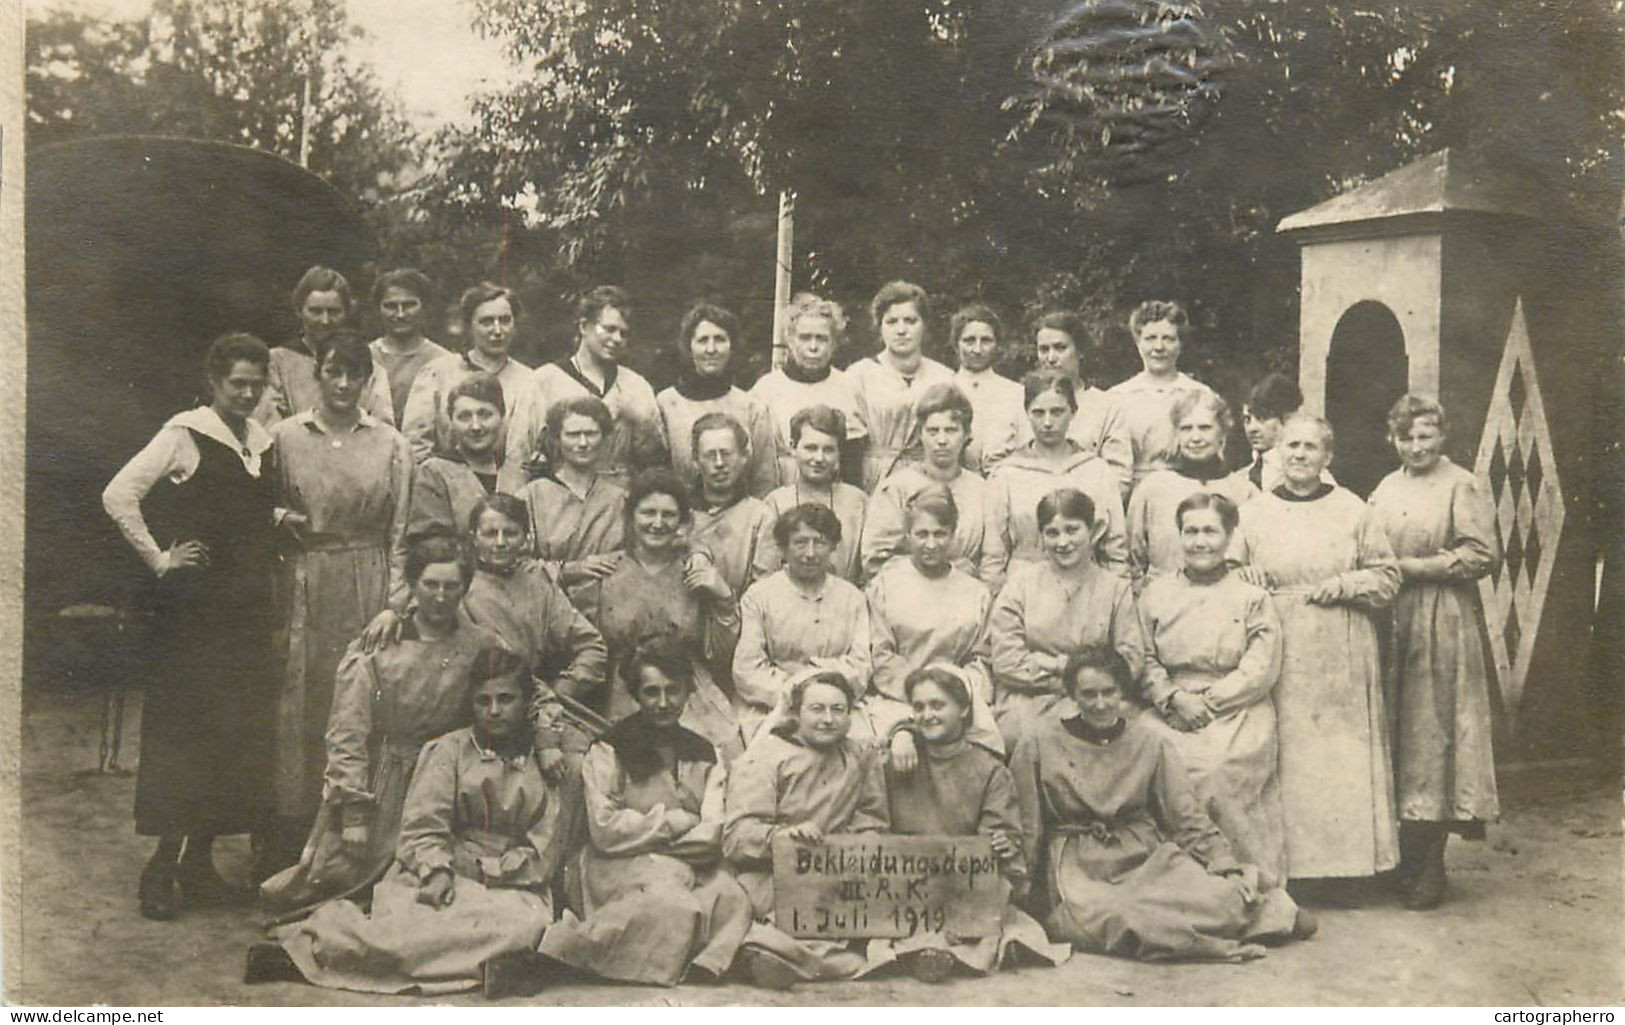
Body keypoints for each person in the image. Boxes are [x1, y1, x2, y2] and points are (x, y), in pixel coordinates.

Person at [246, 653, 566, 998]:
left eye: (506, 699)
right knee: (409, 929)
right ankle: (309, 952)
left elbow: (545, 848)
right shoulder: (448, 751)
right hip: (442, 867)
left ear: (526, 701)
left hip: (514, 881)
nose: (494, 711)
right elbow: (422, 827)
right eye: (482, 700)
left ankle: (494, 961)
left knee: (525, 926)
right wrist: (438, 869)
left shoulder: (547, 763)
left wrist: (490, 870)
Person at [102, 332, 280, 919]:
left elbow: (247, 512)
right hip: (197, 616)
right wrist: (160, 559)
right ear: (214, 380)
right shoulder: (185, 432)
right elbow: (119, 494)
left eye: (257, 383)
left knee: (233, 739)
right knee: (188, 736)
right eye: (238, 382)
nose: (248, 392)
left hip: (247, 615)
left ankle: (199, 866)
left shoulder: (261, 439)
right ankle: (161, 867)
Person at [259, 530, 510, 918]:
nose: (441, 596)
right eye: (430, 585)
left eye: (451, 586)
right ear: (411, 585)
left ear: (465, 588)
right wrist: (354, 815)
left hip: (453, 781)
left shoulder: (482, 643)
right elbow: (347, 733)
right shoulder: (379, 645)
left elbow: (523, 687)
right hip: (389, 785)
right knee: (355, 888)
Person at [1009, 648, 1309, 962]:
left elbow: (1187, 816)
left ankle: (1250, 916)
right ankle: (1209, 943)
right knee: (1117, 916)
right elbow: (1026, 824)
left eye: (1109, 692)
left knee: (1224, 899)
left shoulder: (1149, 742)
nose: (1100, 704)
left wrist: (1224, 865)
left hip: (1145, 858)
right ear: (1071, 695)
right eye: (1088, 694)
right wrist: (1020, 889)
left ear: (1122, 692)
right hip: (1081, 869)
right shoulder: (1039, 742)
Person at [1231, 413, 1401, 889]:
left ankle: (1347, 872)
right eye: (1291, 446)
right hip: (1282, 645)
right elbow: (1228, 565)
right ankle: (1297, 871)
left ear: (1328, 456)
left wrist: (1346, 583)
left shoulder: (1353, 510)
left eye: (1310, 447)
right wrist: (1245, 574)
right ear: (1276, 453)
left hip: (1340, 645)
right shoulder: (1254, 511)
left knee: (1339, 757)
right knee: (1290, 756)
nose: (1300, 455)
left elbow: (1387, 577)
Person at [266, 331, 413, 871]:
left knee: (360, 699)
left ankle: (357, 834)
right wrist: (280, 518)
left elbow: (401, 532)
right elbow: (261, 506)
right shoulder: (284, 437)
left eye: (356, 373)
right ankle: (290, 830)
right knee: (301, 699)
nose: (345, 383)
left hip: (367, 579)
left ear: (369, 379)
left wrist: (395, 604)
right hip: (306, 577)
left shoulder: (392, 444)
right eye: (334, 371)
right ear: (318, 374)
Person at [1137, 493, 1304, 936]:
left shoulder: (1251, 597)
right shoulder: (1156, 594)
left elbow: (1261, 665)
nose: (1199, 541)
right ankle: (1175, 894)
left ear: (1229, 536)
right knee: (1151, 759)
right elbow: (1142, 658)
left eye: (1210, 531)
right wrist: (1171, 698)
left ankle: (1253, 894)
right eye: (1190, 531)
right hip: (1171, 705)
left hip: (1235, 707)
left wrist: (1209, 702)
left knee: (1216, 769)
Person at [537, 648, 753, 986]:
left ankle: (700, 964)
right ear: (636, 694)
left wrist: (651, 834)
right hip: (614, 865)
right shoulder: (611, 747)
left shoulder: (704, 751)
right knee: (671, 903)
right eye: (652, 691)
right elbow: (606, 829)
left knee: (732, 898)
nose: (663, 702)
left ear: (687, 692)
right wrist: (673, 822)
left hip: (685, 862)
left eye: (673, 690)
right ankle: (570, 953)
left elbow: (712, 832)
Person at [1367, 395, 1501, 910]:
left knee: (1433, 733)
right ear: (1393, 439)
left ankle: (1431, 864)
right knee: (1398, 731)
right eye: (1407, 437)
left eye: (1426, 435)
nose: (1417, 446)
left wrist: (1414, 568)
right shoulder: (1385, 487)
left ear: (1441, 435)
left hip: (1441, 619)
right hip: (1392, 619)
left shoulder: (1460, 483)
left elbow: (1482, 554)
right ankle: (1401, 856)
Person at [867, 667, 1071, 980]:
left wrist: (1000, 844)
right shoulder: (895, 760)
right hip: (903, 883)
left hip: (960, 883)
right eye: (919, 707)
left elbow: (1000, 830)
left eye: (937, 705)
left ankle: (935, 951)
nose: (927, 715)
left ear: (963, 709)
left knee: (996, 920)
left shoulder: (989, 770)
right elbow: (871, 820)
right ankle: (931, 949)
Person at [722, 671, 890, 988]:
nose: (828, 719)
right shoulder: (765, 756)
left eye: (838, 710)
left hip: (839, 870)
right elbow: (735, 837)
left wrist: (860, 844)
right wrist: (781, 836)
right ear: (796, 713)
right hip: (772, 874)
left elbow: (873, 817)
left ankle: (786, 957)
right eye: (817, 709)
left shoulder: (859, 757)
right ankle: (794, 956)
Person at [585, 471, 745, 760]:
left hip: (690, 693)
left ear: (683, 522)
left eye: (669, 515)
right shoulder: (606, 570)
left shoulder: (694, 570)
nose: (658, 523)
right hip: (626, 692)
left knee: (725, 759)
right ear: (631, 516)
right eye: (648, 512)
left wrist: (722, 596)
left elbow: (721, 651)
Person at [988, 488, 1162, 751]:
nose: (1062, 542)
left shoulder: (1115, 589)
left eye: (1072, 530)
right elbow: (1005, 659)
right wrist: (1064, 679)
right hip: (1030, 698)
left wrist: (1060, 667)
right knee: (1027, 736)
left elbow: (1131, 658)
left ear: (1092, 532)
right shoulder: (1020, 586)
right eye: (1052, 533)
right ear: (1041, 537)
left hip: (1099, 697)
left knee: (1132, 738)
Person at [864, 486, 1000, 750]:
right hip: (898, 700)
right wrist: (921, 694)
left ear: (953, 536)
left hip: (958, 701)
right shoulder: (885, 586)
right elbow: (881, 654)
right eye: (921, 534)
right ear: (907, 535)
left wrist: (951, 695)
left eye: (940, 534)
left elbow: (981, 657)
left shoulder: (976, 593)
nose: (931, 544)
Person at [733, 505, 872, 744]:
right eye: (800, 543)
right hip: (775, 703)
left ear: (833, 547)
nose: (810, 553)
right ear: (783, 549)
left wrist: (821, 686)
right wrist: (797, 695)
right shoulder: (759, 596)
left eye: (819, 543)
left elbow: (861, 666)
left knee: (866, 749)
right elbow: (747, 669)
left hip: (836, 703)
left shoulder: (852, 598)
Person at [983, 372, 1127, 592]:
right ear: (1026, 413)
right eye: (1038, 413)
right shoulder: (1007, 474)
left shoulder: (1097, 470)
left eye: (1057, 412)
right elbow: (994, 554)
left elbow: (1116, 550)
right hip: (1025, 586)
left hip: (1086, 586)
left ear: (1073, 412)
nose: (1048, 422)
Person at [514, 285, 669, 482]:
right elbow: (519, 455)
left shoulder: (637, 386)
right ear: (583, 326)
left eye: (624, 333)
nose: (617, 339)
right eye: (609, 329)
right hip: (560, 497)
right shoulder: (544, 380)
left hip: (620, 500)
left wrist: (639, 419)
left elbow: (658, 462)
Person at [861, 384, 1001, 580]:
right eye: (933, 431)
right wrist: (944, 571)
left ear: (967, 434)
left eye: (951, 430)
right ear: (920, 434)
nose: (942, 440)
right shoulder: (895, 487)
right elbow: (875, 560)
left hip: (967, 597)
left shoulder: (981, 489)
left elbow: (992, 560)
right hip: (906, 596)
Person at [401, 282, 537, 466]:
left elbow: (530, 449)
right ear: (469, 326)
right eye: (486, 321)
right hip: (446, 484)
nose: (497, 330)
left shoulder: (527, 380)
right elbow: (415, 444)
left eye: (505, 320)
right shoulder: (438, 373)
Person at [1126, 390, 1254, 585]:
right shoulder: (1153, 488)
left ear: (1222, 433)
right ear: (1176, 434)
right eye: (1186, 428)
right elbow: (1132, 558)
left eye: (1205, 428)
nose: (1195, 437)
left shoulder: (1244, 491)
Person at [515, 395, 627, 611]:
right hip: (548, 610)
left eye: (591, 434)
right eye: (573, 435)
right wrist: (572, 570)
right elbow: (516, 565)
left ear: (604, 438)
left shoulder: (621, 498)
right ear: (557, 439)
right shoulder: (531, 496)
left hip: (610, 610)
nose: (583, 443)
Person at [658, 302, 780, 497]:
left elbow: (765, 483)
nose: (711, 349)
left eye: (720, 339)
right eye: (703, 340)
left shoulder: (752, 407)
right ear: (689, 346)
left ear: (732, 347)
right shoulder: (666, 404)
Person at [749, 295, 868, 486]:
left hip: (833, 491)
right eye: (805, 338)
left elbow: (853, 459)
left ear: (834, 343)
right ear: (789, 340)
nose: (813, 347)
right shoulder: (766, 389)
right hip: (780, 487)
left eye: (821, 338)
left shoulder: (847, 386)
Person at [254, 266, 393, 427]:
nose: (324, 320)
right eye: (315, 311)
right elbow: (268, 422)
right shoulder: (278, 361)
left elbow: (382, 425)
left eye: (334, 311)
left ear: (347, 312)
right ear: (300, 310)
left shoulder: (366, 359)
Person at [847, 281, 954, 490]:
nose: (902, 330)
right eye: (892, 321)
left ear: (924, 325)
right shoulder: (860, 374)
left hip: (930, 478)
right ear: (879, 326)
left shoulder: (944, 377)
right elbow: (850, 449)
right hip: (875, 480)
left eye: (911, 321)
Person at [1106, 300, 1216, 489]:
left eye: (1168, 338)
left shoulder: (1200, 394)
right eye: (1150, 338)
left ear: (1180, 344)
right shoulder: (1116, 398)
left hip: (1188, 491)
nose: (1159, 347)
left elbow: (1214, 457)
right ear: (1138, 342)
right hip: (1132, 494)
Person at [1021, 310, 1132, 494]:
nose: (1051, 358)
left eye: (1060, 348)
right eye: (1044, 349)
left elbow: (1118, 477)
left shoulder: (1107, 406)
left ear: (1079, 351)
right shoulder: (1021, 403)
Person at [403, 372, 520, 544]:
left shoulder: (516, 472)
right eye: (464, 417)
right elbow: (430, 545)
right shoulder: (434, 472)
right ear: (451, 421)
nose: (475, 426)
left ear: (502, 416)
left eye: (485, 414)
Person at [761, 405, 869, 583]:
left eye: (828, 450)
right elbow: (766, 572)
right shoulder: (775, 503)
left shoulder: (858, 502)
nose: (819, 458)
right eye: (811, 448)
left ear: (839, 453)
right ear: (793, 448)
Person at [687, 412, 781, 598]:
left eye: (726, 454)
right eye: (710, 455)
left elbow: (763, 594)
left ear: (744, 457)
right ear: (696, 461)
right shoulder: (678, 514)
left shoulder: (761, 518)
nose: (719, 463)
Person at [947, 303, 1025, 474]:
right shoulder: (944, 388)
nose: (977, 349)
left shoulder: (1016, 393)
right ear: (956, 345)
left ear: (997, 345)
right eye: (969, 341)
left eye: (986, 341)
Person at [1226, 372, 1333, 495]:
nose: (1252, 428)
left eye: (1263, 418)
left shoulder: (1309, 473)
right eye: (1247, 419)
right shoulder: (1241, 478)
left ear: (1286, 419)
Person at [367, 268, 450, 426]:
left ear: (424, 307)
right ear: (378, 309)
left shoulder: (444, 361)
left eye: (409, 305)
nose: (400, 314)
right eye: (390, 306)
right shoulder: (365, 357)